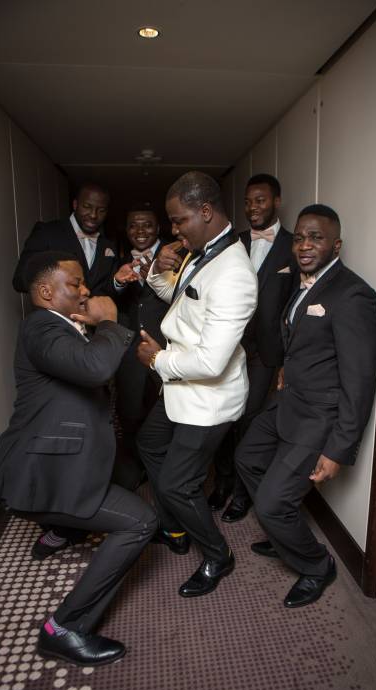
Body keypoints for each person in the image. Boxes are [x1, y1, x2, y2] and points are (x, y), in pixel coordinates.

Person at [0, 251, 157, 665]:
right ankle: (64, 628)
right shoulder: (40, 327)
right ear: (46, 292)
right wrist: (109, 321)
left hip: (58, 459)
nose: (85, 291)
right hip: (38, 471)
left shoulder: (60, 324)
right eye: (76, 283)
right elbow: (94, 368)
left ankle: (61, 530)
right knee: (140, 521)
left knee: (126, 474)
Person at [235, 204, 376, 608]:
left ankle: (317, 565)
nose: (304, 245)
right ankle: (285, 535)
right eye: (299, 237)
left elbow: (360, 381)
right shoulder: (302, 284)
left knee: (271, 504)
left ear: (337, 245)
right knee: (246, 458)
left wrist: (338, 449)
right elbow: (302, 340)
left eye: (316, 237)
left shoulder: (353, 294)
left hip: (319, 418)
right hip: (288, 402)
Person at [136, 171, 258, 597]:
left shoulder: (234, 272)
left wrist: (157, 360)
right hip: (181, 387)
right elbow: (183, 302)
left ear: (205, 211)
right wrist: (157, 273)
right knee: (149, 444)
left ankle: (219, 556)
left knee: (176, 483)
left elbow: (210, 360)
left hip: (208, 398)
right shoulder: (201, 252)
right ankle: (174, 526)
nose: (173, 230)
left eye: (178, 220)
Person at [209, 173, 296, 522]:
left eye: (260, 200)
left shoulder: (294, 245)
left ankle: (242, 494)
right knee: (222, 417)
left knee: (249, 420)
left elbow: (295, 305)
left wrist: (288, 358)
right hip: (228, 347)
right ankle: (222, 482)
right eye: (247, 202)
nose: (252, 208)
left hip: (265, 354)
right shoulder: (233, 243)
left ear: (277, 202)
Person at [113, 206, 169, 489]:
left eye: (147, 225)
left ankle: (165, 470)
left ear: (158, 228)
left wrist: (157, 278)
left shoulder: (175, 257)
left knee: (167, 412)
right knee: (130, 413)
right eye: (134, 225)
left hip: (166, 348)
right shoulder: (117, 260)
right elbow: (106, 297)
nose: (141, 231)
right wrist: (117, 282)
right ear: (126, 230)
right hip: (130, 352)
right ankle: (136, 470)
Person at [12, 183, 138, 297]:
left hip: (95, 316)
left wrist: (117, 281)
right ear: (75, 205)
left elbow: (104, 290)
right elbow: (20, 280)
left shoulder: (108, 246)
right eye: (87, 207)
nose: (93, 215)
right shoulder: (47, 232)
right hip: (58, 316)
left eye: (101, 210)